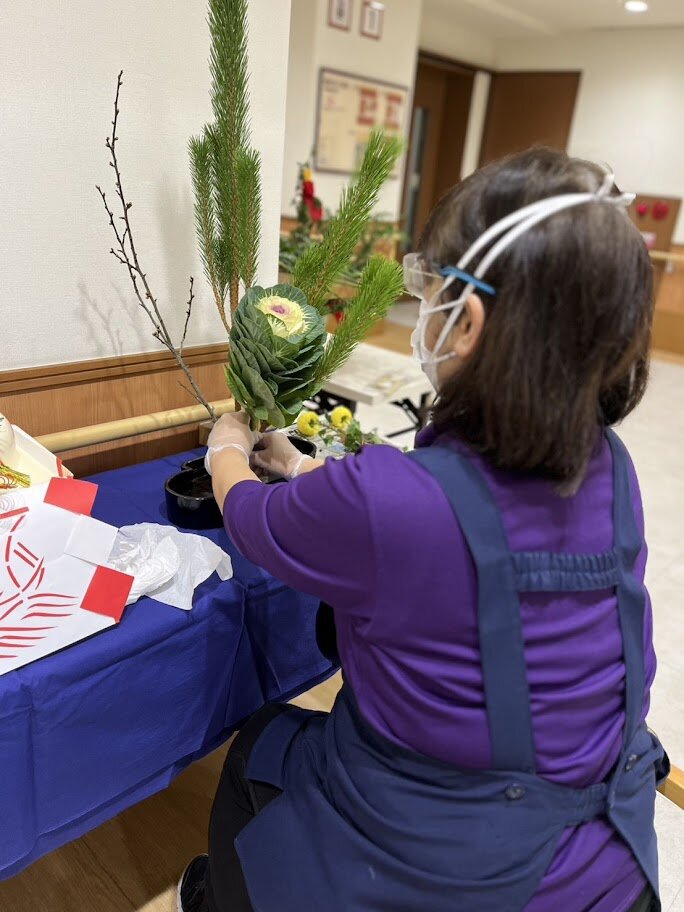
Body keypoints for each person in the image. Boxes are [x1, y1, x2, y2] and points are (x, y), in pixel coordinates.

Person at [178, 148, 667, 912]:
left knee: (260, 748)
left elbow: (251, 517)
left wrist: (228, 450)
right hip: (610, 863)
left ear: (466, 323)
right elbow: (455, 520)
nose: (421, 314)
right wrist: (309, 470)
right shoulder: (615, 471)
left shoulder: (391, 502)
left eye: (427, 292)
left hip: (462, 873)